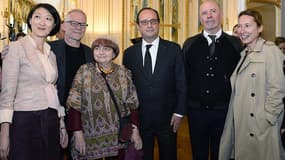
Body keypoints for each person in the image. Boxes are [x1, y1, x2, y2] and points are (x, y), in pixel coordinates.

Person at [0, 3, 68, 160]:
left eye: (48, 18)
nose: (42, 22)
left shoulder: (51, 54)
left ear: (53, 25)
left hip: (51, 119)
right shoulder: (15, 48)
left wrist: (61, 122)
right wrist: (4, 130)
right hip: (24, 119)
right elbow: (7, 92)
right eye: (37, 17)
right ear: (30, 20)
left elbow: (53, 89)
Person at [219, 9, 285, 160]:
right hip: (243, 124)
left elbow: (279, 89)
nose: (242, 31)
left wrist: (267, 118)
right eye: (240, 26)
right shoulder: (244, 54)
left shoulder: (270, 51)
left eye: (247, 26)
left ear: (260, 28)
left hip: (261, 127)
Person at [123, 7, 187, 160]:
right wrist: (130, 119)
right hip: (140, 119)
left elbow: (182, 82)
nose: (149, 25)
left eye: (153, 21)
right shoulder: (129, 53)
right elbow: (127, 88)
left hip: (168, 118)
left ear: (158, 24)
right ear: (139, 26)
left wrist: (179, 112)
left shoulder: (174, 49)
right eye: (145, 22)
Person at [182, 0, 242, 160]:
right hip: (196, 113)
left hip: (225, 112)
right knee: (198, 154)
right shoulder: (189, 44)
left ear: (221, 15)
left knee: (222, 154)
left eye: (213, 11)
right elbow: (183, 79)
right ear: (200, 18)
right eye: (204, 13)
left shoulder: (236, 44)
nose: (209, 16)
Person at [66, 37, 142, 160]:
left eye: (106, 49)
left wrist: (135, 131)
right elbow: (74, 103)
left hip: (119, 138)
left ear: (114, 53)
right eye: (97, 48)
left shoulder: (124, 72)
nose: (101, 52)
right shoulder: (84, 71)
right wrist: (77, 132)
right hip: (89, 138)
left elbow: (132, 104)